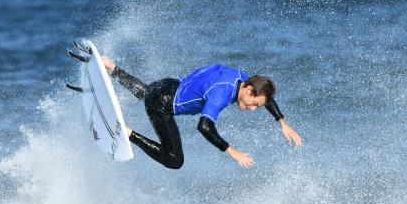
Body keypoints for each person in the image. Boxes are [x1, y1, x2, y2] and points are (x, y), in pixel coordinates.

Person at [71, 42, 302, 169]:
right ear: (248, 90)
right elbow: (204, 127)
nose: (253, 109)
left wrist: (282, 123)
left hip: (168, 85)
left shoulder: (241, 77)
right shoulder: (221, 95)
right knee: (174, 160)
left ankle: (112, 68)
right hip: (163, 104)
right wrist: (232, 151)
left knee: (147, 94)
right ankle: (127, 132)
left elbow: (266, 97)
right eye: (255, 104)